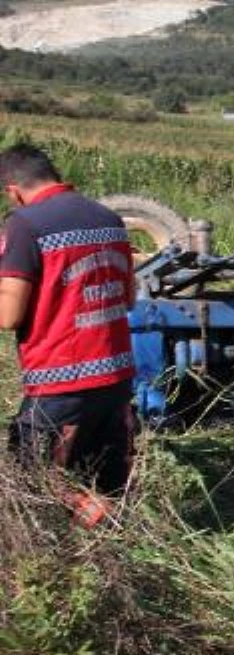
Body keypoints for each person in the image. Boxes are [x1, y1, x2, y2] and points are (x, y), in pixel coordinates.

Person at [0, 143, 137, 508]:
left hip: (61, 382)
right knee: (106, 481)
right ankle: (109, 545)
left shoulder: (26, 225)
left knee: (30, 483)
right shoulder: (109, 219)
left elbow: (8, 315)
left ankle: (61, 553)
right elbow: (129, 298)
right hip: (116, 376)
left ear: (13, 190)